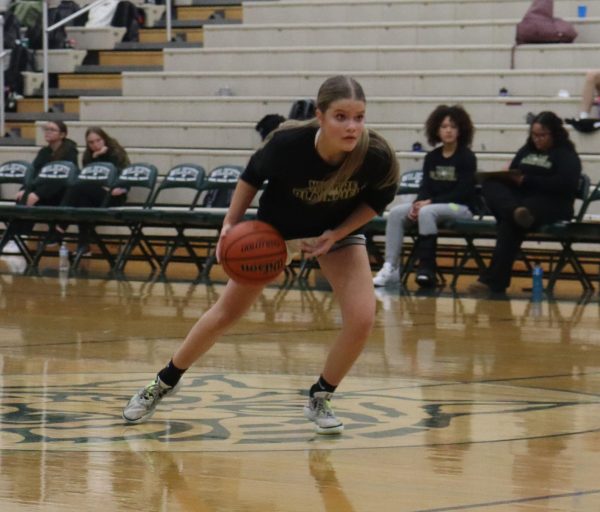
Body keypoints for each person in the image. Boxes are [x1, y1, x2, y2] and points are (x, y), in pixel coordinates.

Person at [121, 75, 400, 434]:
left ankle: (320, 395)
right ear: (320, 116)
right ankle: (160, 384)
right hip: (274, 234)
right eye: (341, 117)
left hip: (334, 233)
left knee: (362, 319)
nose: (352, 126)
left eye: (359, 117)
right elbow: (251, 177)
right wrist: (229, 226)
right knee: (225, 315)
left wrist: (336, 235)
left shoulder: (374, 154)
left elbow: (376, 202)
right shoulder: (287, 144)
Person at [469, 111, 581, 295]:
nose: (537, 140)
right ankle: (514, 211)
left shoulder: (566, 155)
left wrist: (528, 180)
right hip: (521, 202)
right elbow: (515, 170)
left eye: (542, 136)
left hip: (552, 203)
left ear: (554, 134)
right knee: (490, 184)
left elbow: (565, 185)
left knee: (510, 224)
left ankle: (492, 282)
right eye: (534, 135)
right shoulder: (527, 149)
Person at [372, 104, 477, 288]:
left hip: (459, 207)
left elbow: (464, 191)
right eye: (444, 127)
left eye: (453, 126)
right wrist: (417, 203)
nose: (448, 131)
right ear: (436, 130)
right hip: (432, 206)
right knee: (396, 213)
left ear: (461, 130)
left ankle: (426, 269)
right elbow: (426, 186)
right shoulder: (432, 157)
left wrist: (429, 203)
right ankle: (390, 268)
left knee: (427, 212)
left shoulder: (467, 157)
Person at [56, 126, 131, 252]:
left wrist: (104, 156)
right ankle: (83, 244)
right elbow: (89, 179)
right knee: (83, 201)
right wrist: (95, 159)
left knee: (77, 187)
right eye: (91, 142)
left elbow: (124, 175)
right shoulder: (88, 156)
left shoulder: (116, 153)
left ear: (105, 139)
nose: (95, 145)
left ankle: (60, 224)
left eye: (98, 140)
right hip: (93, 194)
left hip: (113, 195)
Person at [16, 120, 78, 207]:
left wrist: (38, 194)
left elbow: (61, 180)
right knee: (22, 197)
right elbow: (34, 173)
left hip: (60, 192)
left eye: (52, 130)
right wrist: (24, 189)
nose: (48, 132)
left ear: (62, 135)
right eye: (46, 129)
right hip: (43, 190)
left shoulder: (70, 152)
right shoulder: (43, 152)